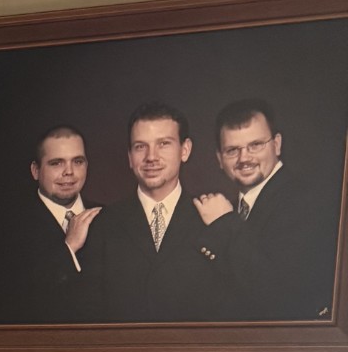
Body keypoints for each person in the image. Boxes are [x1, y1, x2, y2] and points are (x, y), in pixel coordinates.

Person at [192, 98, 336, 321]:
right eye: (232, 150)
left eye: (255, 145)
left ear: (276, 144)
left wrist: (224, 222)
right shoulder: (231, 206)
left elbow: (281, 297)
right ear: (220, 159)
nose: (244, 158)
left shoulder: (304, 201)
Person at [83, 103, 229, 321]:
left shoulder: (213, 218)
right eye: (140, 147)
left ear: (185, 150)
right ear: (130, 157)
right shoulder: (102, 223)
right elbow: (90, 311)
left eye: (163, 144)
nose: (151, 157)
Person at [0, 125, 103, 323]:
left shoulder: (109, 217)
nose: (69, 172)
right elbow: (13, 303)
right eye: (56, 163)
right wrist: (69, 247)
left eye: (78, 161)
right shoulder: (5, 229)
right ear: (35, 171)